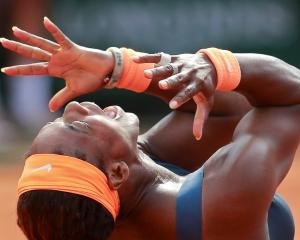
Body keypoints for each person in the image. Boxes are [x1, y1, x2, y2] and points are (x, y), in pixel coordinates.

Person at [1, 18, 298, 240]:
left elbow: (221, 113)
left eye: (57, 121)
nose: (74, 107)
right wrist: (214, 64)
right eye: (79, 127)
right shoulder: (228, 194)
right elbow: (290, 100)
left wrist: (117, 69)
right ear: (117, 173)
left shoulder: (101, 212)